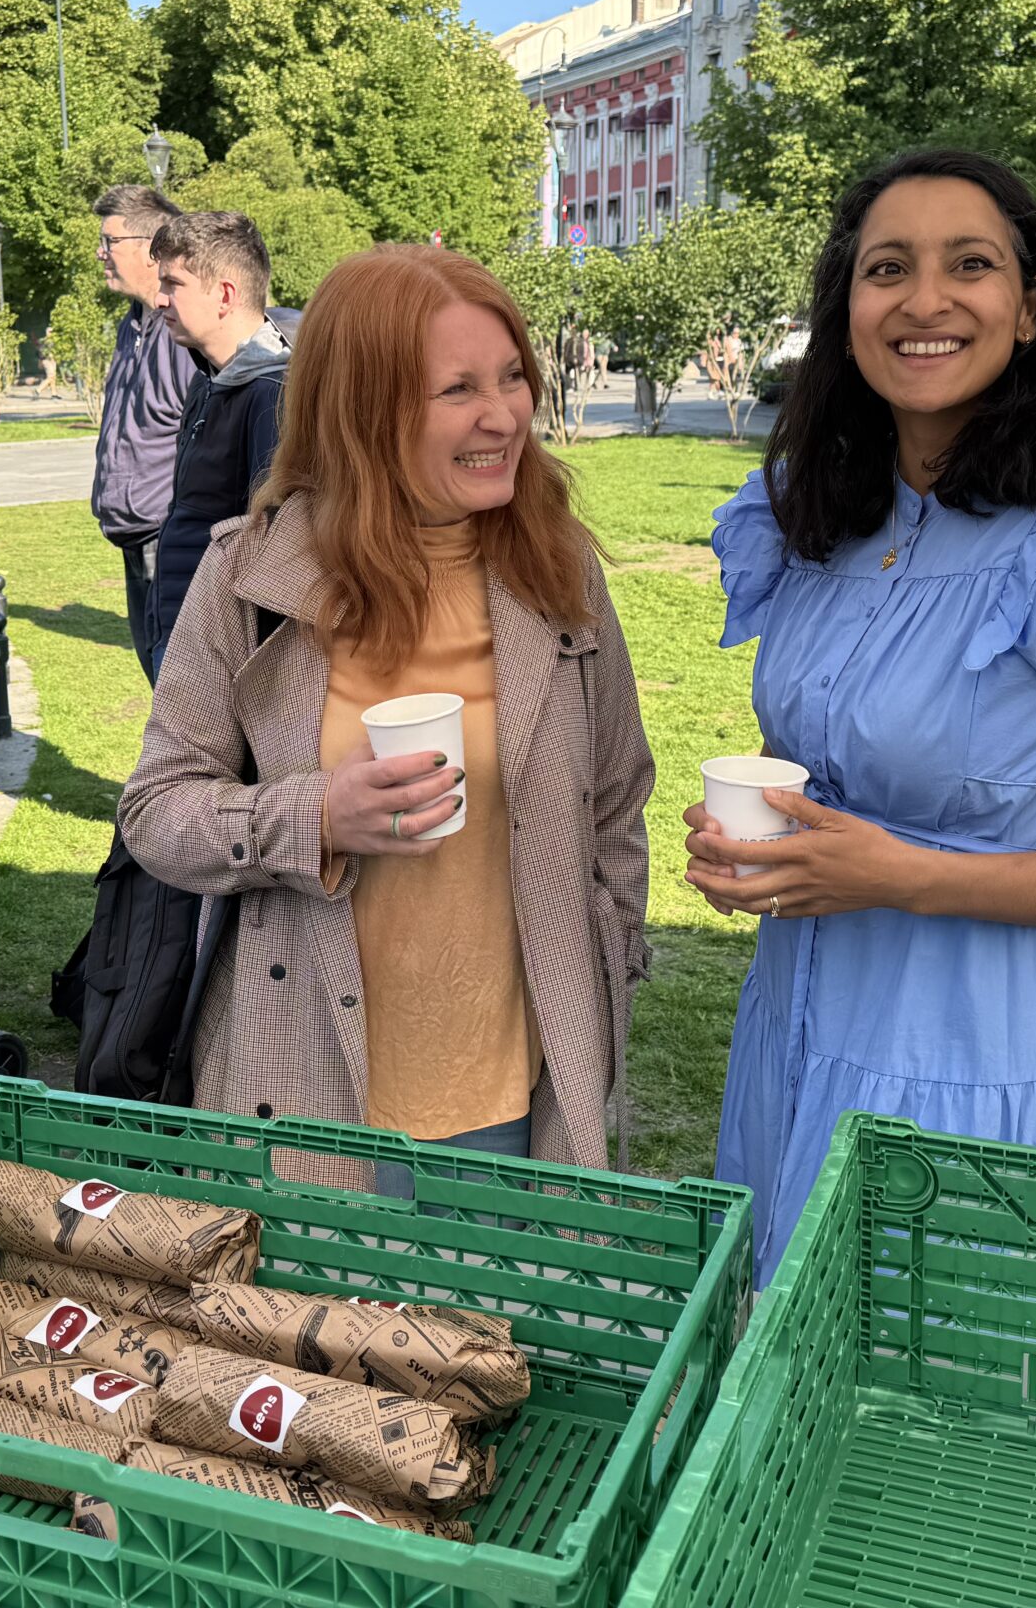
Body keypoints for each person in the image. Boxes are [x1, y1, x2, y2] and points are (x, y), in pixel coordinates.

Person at [686, 149, 1036, 1281]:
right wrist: (771, 851)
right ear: (846, 310)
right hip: (802, 1030)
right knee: (800, 1354)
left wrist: (903, 875)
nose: (925, 300)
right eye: (887, 268)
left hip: (995, 1066)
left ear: (1030, 307)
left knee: (962, 1374)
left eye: (971, 265)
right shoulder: (818, 513)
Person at [119, 244, 656, 1179]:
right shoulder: (250, 577)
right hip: (305, 1092)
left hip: (520, 1094)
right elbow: (156, 812)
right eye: (457, 390)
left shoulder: (559, 571)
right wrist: (318, 818)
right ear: (364, 410)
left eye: (512, 377)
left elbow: (617, 797)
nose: (504, 416)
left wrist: (614, 953)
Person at [147, 210, 293, 671]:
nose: (158, 299)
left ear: (225, 295)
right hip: (182, 634)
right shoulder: (208, 379)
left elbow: (276, 553)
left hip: (220, 654)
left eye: (172, 283)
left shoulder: (271, 395)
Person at [89, 184, 200, 681]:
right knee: (160, 681)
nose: (101, 253)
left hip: (169, 545)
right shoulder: (130, 326)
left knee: (179, 687)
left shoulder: (183, 333)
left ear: (149, 247)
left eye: (109, 241)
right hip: (134, 542)